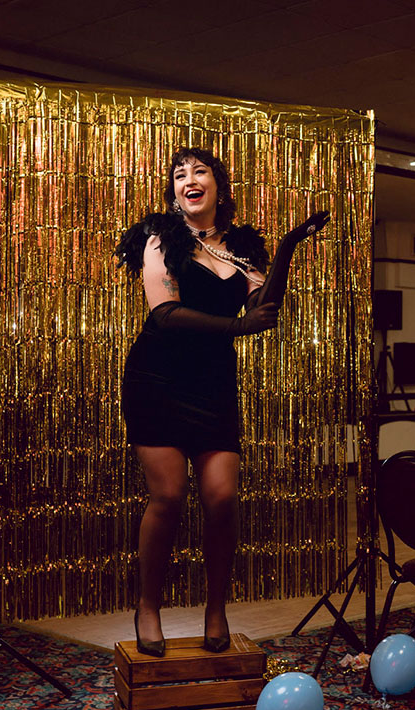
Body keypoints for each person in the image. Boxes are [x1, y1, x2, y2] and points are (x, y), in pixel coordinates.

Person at [116, 147, 329, 656]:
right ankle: (148, 607)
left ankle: (217, 607)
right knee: (168, 497)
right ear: (174, 191)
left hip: (212, 383)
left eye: (199, 171)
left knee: (222, 498)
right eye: (179, 174)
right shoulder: (158, 240)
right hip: (157, 379)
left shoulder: (241, 248)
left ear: (218, 185)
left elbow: (265, 306)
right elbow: (165, 313)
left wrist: (286, 249)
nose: (189, 179)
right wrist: (236, 327)